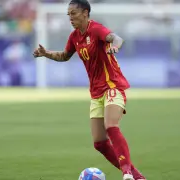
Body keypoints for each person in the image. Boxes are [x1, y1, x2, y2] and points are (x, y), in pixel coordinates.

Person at [33, 0, 146, 179]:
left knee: (111, 126)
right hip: (96, 92)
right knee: (99, 143)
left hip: (112, 86)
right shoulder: (74, 36)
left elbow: (116, 38)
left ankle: (127, 174)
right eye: (68, 14)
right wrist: (46, 53)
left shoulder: (96, 29)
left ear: (85, 13)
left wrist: (115, 46)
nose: (70, 17)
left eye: (74, 13)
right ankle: (139, 177)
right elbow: (64, 56)